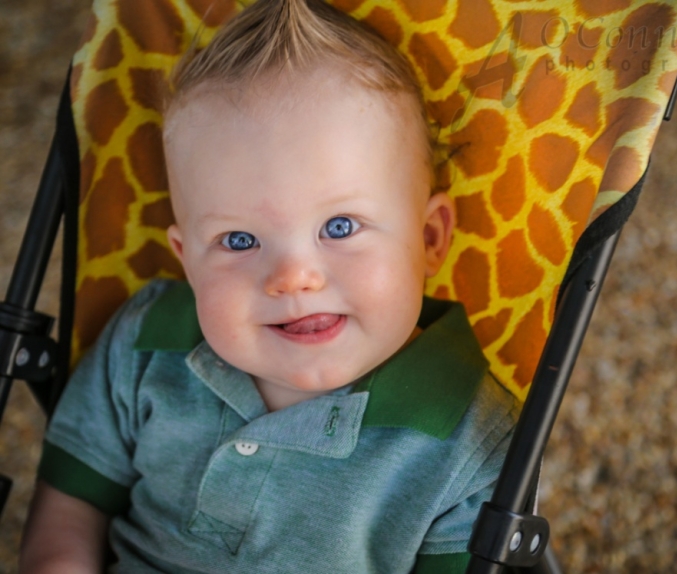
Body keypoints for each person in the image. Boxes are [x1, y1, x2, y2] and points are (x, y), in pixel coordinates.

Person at [20, 0, 519, 572]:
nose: (293, 278)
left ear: (429, 237)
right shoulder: (147, 343)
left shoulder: (466, 441)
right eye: (238, 240)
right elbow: (68, 510)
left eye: (340, 227)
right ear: (188, 260)